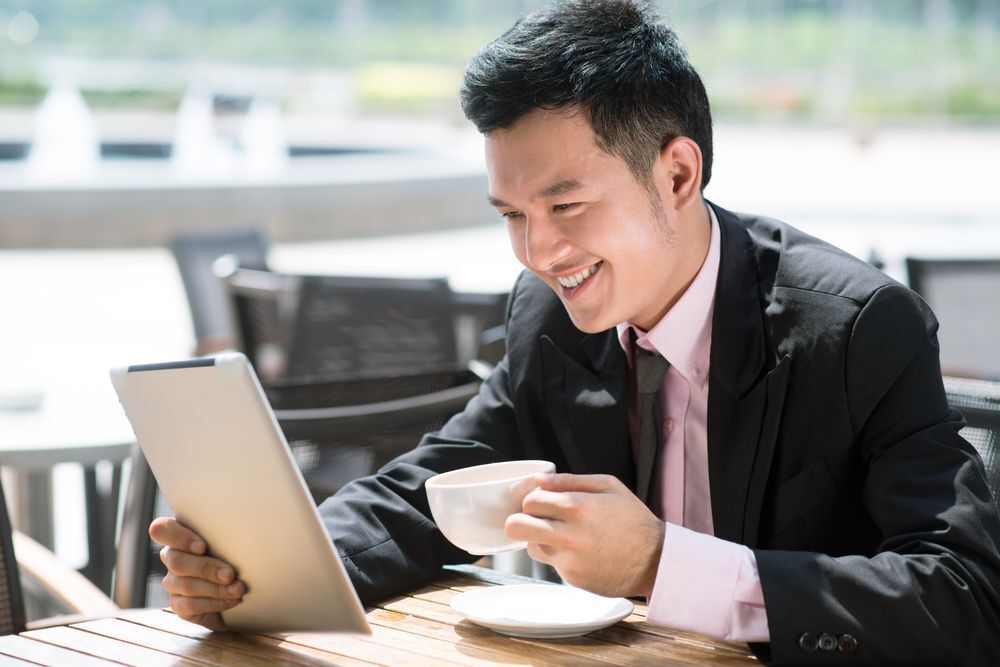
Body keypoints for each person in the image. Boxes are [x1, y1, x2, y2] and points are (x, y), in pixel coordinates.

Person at [150, 1, 1000, 663]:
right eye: (513, 213)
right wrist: (267, 569)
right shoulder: (548, 319)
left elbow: (961, 599)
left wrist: (662, 563)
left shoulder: (859, 330)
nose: (539, 250)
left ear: (676, 172)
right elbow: (428, 487)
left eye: (566, 206)